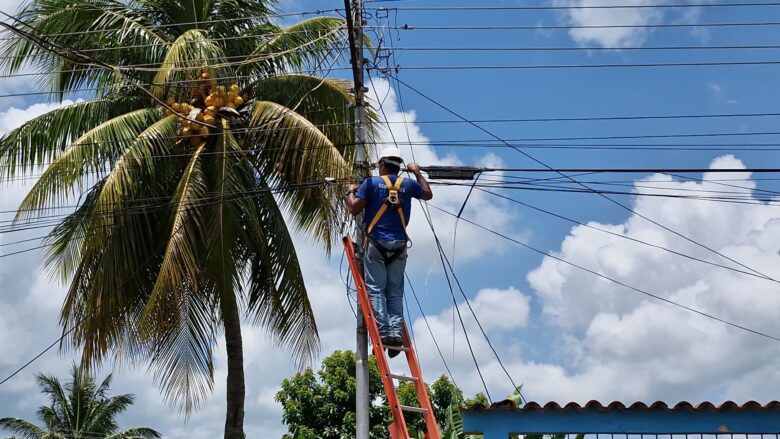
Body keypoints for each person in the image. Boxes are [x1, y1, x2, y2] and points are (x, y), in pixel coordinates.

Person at [345, 147, 433, 357]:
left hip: (376, 245)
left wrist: (349, 191)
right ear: (399, 165)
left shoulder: (371, 184)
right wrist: (417, 172)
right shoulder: (409, 184)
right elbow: (428, 194)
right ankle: (394, 334)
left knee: (376, 290)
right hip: (399, 246)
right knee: (394, 292)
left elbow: (354, 208)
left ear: (382, 164)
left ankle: (386, 333)